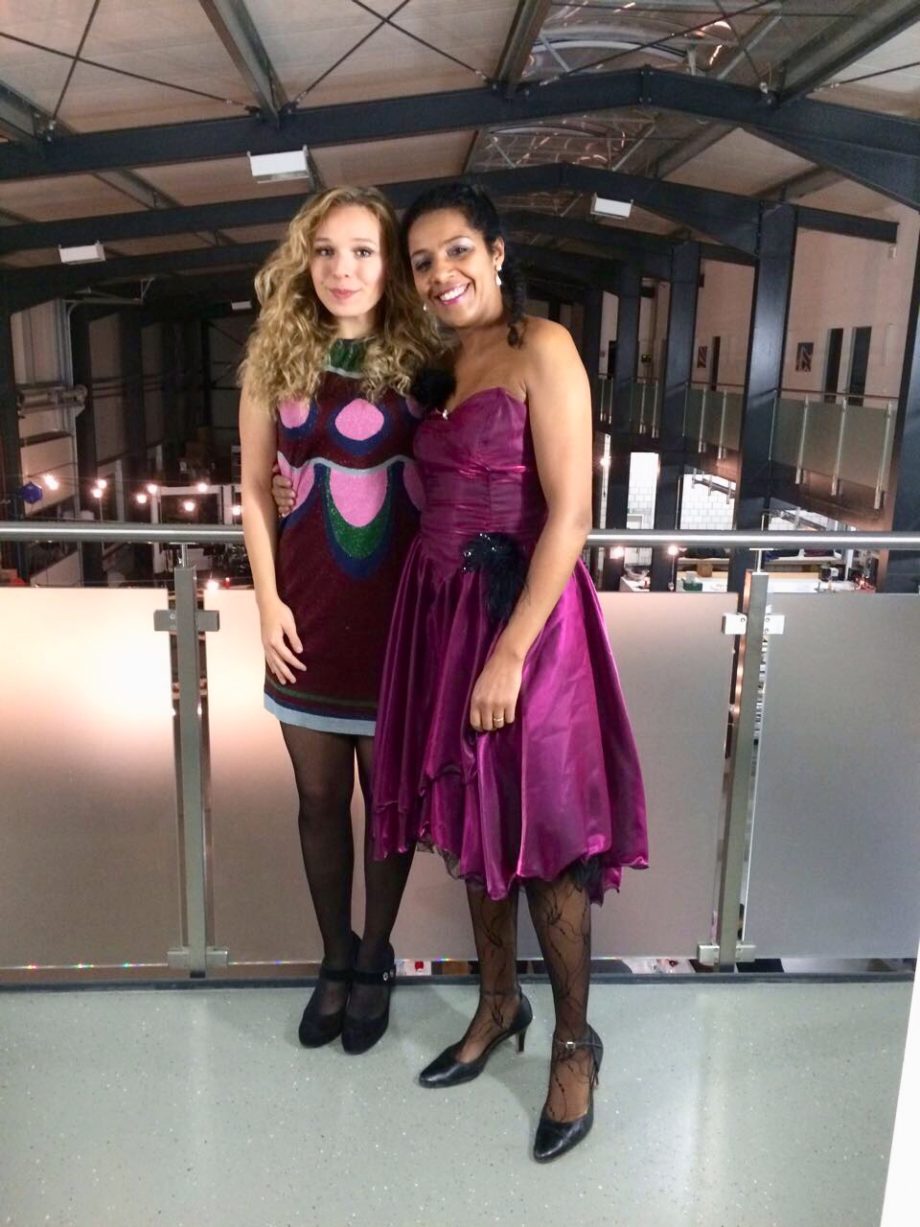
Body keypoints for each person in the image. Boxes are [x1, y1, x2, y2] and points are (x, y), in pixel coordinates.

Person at [271, 183, 648, 1161]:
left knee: (546, 842)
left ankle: (574, 1043)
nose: (442, 273)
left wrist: (511, 651)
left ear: (497, 250)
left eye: (457, 252)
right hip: (441, 619)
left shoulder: (543, 346)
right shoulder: (439, 362)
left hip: (525, 625)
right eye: (424, 261)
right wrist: (290, 475)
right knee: (477, 826)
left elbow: (570, 514)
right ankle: (496, 1005)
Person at [239, 185, 439, 1054]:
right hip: (308, 612)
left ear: (389, 264)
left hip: (401, 618)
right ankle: (335, 955)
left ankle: (375, 957)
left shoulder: (429, 356)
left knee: (387, 803)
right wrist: (267, 601)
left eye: (362, 251)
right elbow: (254, 490)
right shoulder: (276, 355)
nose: (342, 268)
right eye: (325, 251)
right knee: (318, 800)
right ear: (305, 259)